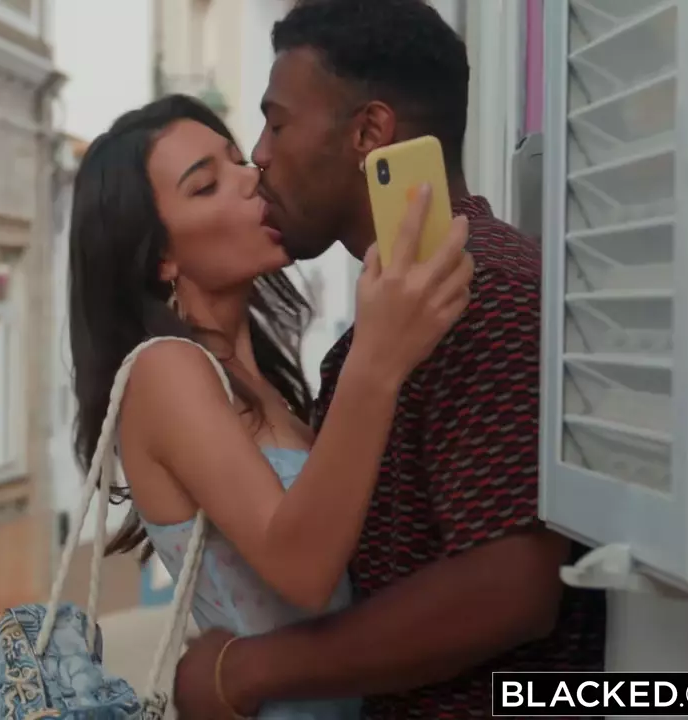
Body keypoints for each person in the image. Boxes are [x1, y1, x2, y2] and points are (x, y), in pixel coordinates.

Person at [172, 1, 608, 718]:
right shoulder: (387, 325)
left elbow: (511, 587)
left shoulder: (487, 296)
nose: (260, 154)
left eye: (277, 123)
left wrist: (248, 672)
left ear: (369, 132)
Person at [67, 92, 473, 719]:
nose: (251, 178)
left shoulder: (264, 387)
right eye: (207, 185)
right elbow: (303, 568)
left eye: (238, 160)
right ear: (162, 257)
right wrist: (379, 357)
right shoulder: (164, 370)